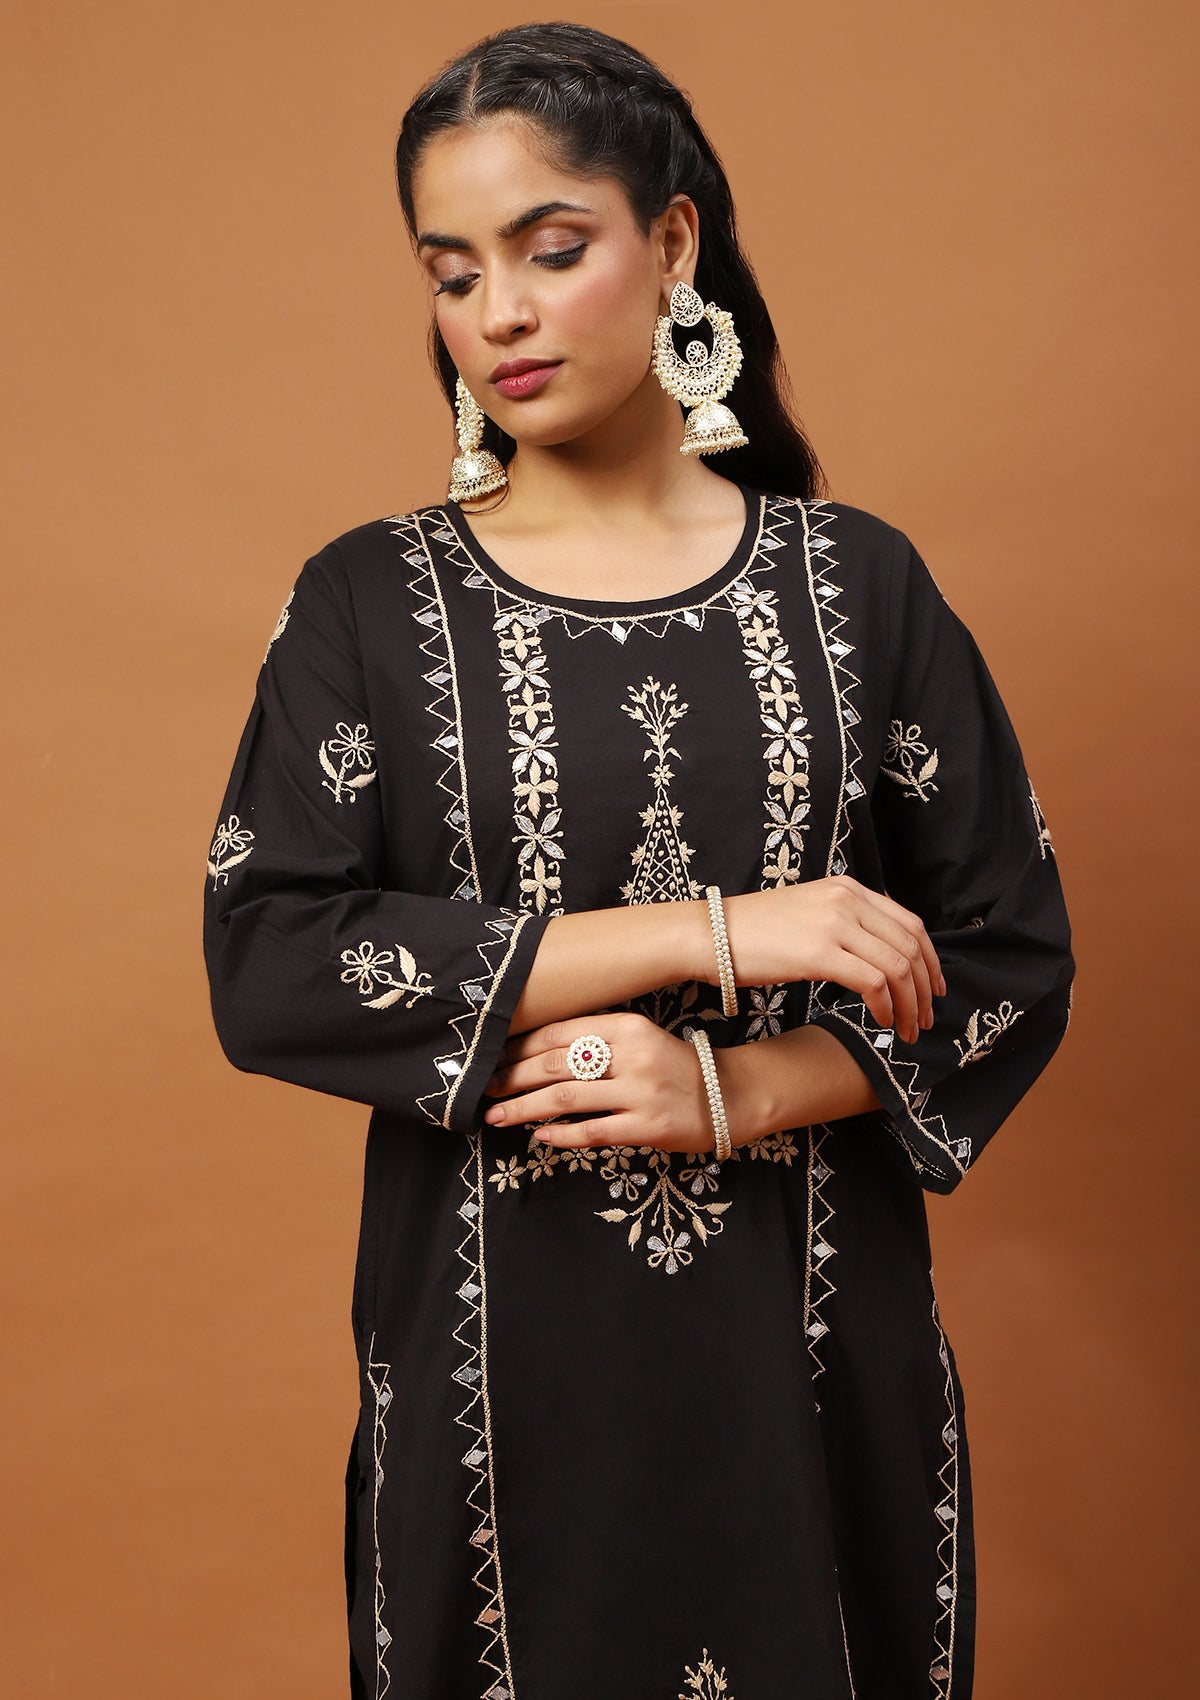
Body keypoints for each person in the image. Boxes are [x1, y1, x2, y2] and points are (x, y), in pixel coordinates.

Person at [203, 22, 1074, 1700]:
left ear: (672, 242)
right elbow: (273, 958)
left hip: (814, 1373)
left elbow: (1008, 959)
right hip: (490, 1393)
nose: (499, 316)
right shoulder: (369, 602)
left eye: (551, 250)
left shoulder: (856, 587)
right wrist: (722, 931)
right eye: (453, 274)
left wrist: (731, 1093)